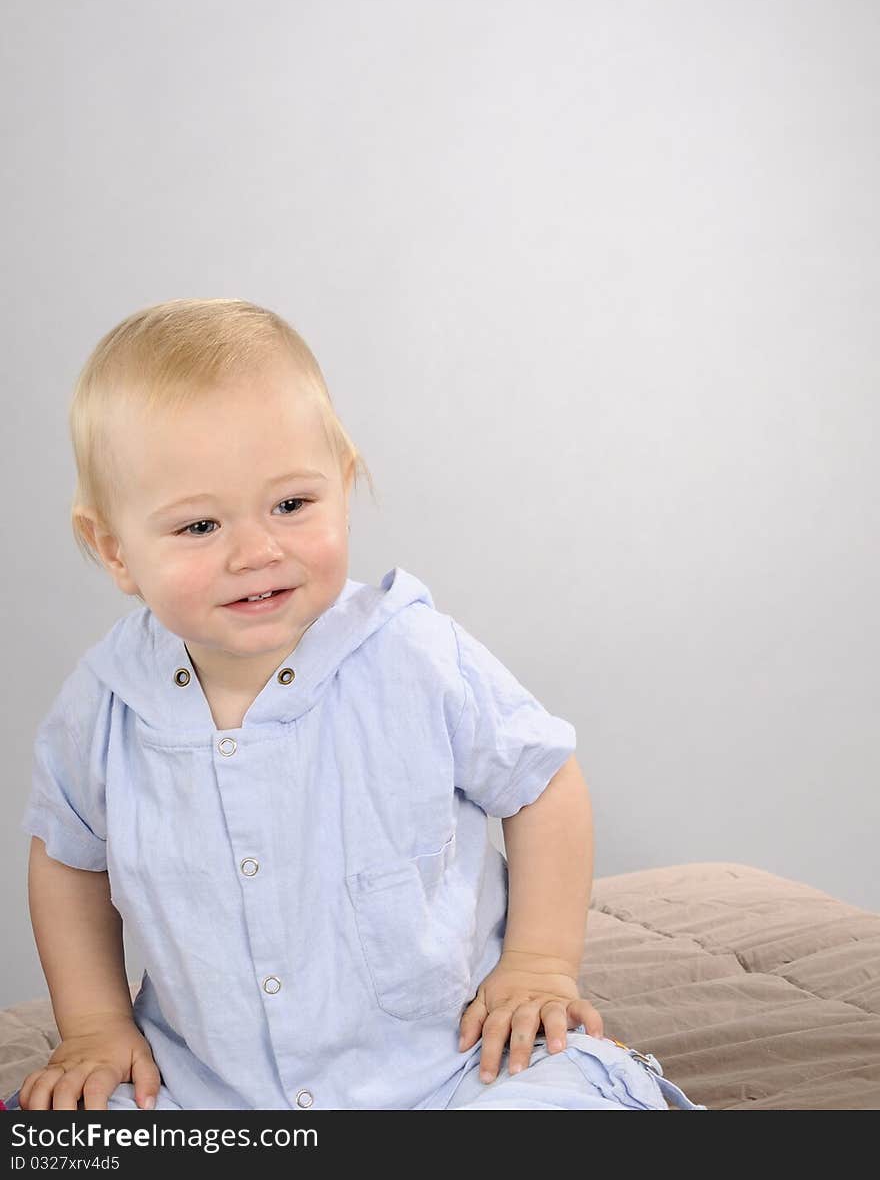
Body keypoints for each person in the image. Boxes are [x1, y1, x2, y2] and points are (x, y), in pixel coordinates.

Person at [7, 298, 705, 1112]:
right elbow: (66, 854)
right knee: (70, 1136)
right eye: (199, 524)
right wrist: (93, 1022)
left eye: (292, 505)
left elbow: (542, 781)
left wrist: (539, 963)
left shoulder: (413, 653)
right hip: (210, 1084)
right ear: (115, 549)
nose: (256, 550)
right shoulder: (107, 704)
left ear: (342, 484)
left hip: (451, 1066)